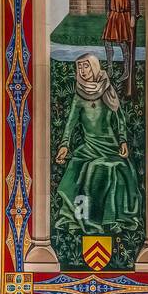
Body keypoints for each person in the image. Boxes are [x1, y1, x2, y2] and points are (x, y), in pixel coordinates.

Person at [53, 54, 141, 239]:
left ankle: (108, 218)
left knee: (99, 169)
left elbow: (120, 119)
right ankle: (80, 218)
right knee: (76, 171)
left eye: (86, 66)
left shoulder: (107, 90)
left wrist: (123, 140)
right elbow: (70, 123)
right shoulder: (79, 95)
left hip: (110, 147)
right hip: (89, 147)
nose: (83, 71)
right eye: (80, 68)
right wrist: (64, 145)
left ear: (94, 66)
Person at [101, 0, 138, 98]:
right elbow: (107, 1)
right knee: (107, 41)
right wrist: (108, 15)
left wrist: (133, 16)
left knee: (123, 43)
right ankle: (109, 67)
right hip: (114, 15)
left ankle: (126, 70)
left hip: (125, 16)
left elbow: (133, 1)